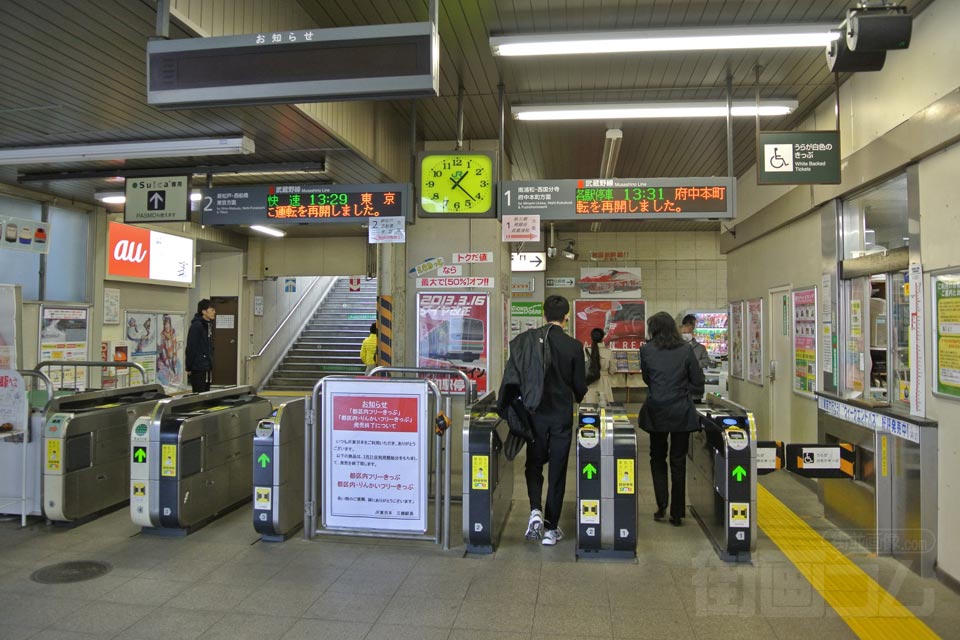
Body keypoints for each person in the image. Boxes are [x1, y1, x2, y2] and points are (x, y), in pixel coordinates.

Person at [502, 295, 587, 546]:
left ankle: (535, 510)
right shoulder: (573, 346)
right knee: (558, 471)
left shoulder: (528, 341)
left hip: (534, 415)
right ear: (567, 315)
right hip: (561, 416)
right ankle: (550, 529)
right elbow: (580, 387)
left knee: (534, 464)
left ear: (543, 313)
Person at [638, 312, 705, 527]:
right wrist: (684, 390)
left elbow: (647, 378)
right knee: (678, 461)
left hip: (656, 411)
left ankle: (661, 505)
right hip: (681, 411)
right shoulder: (685, 350)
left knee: (657, 458)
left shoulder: (646, 350)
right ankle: (677, 512)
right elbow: (698, 381)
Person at [185, 299, 216, 393]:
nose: (214, 312)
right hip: (198, 366)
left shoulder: (208, 325)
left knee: (206, 392)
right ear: (203, 311)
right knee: (199, 393)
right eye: (212, 310)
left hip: (207, 366)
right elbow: (191, 347)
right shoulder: (197, 326)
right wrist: (189, 366)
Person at [582, 327, 615, 405]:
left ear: (591, 337)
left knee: (590, 408)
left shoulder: (586, 351)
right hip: (604, 382)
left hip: (590, 382)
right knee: (605, 408)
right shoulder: (608, 352)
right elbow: (612, 370)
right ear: (603, 338)